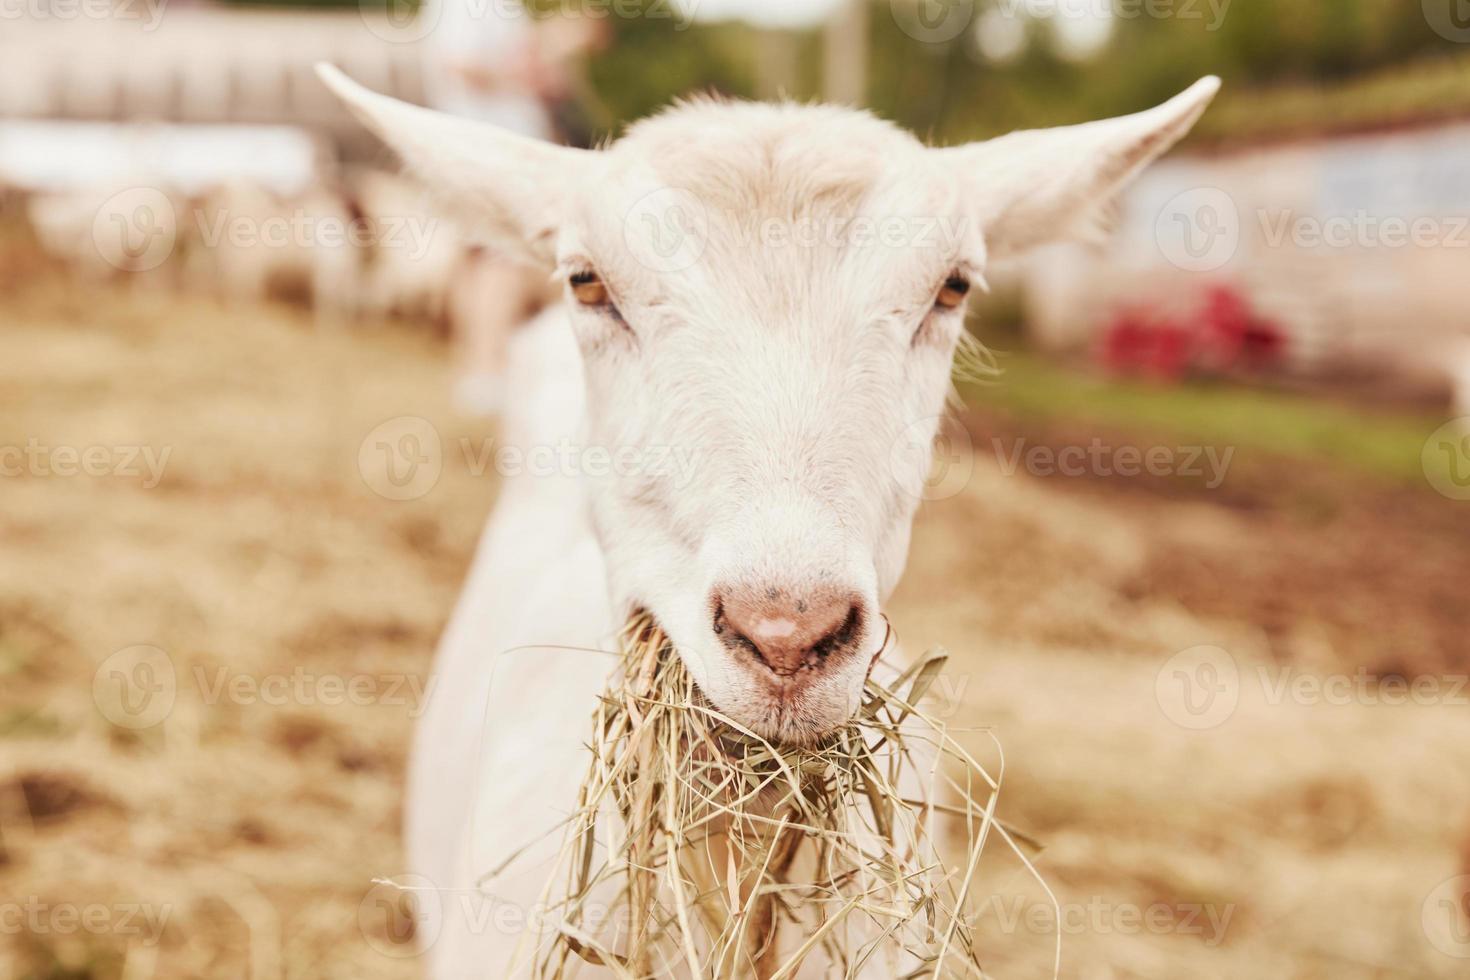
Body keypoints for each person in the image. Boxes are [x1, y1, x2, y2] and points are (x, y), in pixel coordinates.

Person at [421, 0, 601, 414]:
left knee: (482, 259)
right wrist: (528, 77)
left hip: (487, 147)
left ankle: (477, 371)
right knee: (500, 260)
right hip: (488, 149)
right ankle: (486, 371)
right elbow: (460, 65)